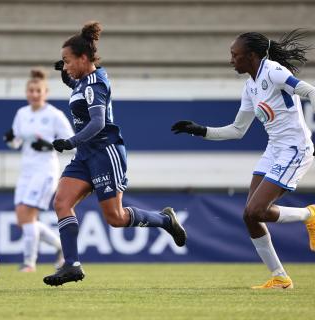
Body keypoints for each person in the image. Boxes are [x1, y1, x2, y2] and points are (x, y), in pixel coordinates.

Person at [43, 21, 187, 286]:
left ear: (84, 58)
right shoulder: (84, 80)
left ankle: (165, 220)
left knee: (116, 218)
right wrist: (67, 76)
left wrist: (71, 141)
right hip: (86, 155)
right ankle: (71, 265)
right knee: (61, 203)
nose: (65, 66)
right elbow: (82, 96)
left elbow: (97, 122)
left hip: (105, 154)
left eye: (67, 61)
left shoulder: (93, 84)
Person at [171, 30, 315, 289]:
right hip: (274, 149)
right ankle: (280, 277)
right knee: (250, 216)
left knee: (257, 210)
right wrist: (200, 130)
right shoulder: (250, 86)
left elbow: (309, 91)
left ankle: (310, 215)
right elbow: (237, 130)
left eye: (234, 55)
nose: (231, 60)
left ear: (251, 56)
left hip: (294, 149)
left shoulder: (274, 71)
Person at [3, 68, 74, 272]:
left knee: (27, 214)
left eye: (38, 91)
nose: (34, 94)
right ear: (27, 93)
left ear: (46, 93)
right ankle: (60, 247)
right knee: (23, 219)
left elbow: (73, 142)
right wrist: (10, 140)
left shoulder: (54, 115)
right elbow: (17, 142)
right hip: (26, 170)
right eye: (31, 91)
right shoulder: (21, 114)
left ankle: (29, 263)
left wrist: (50, 145)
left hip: (45, 171)